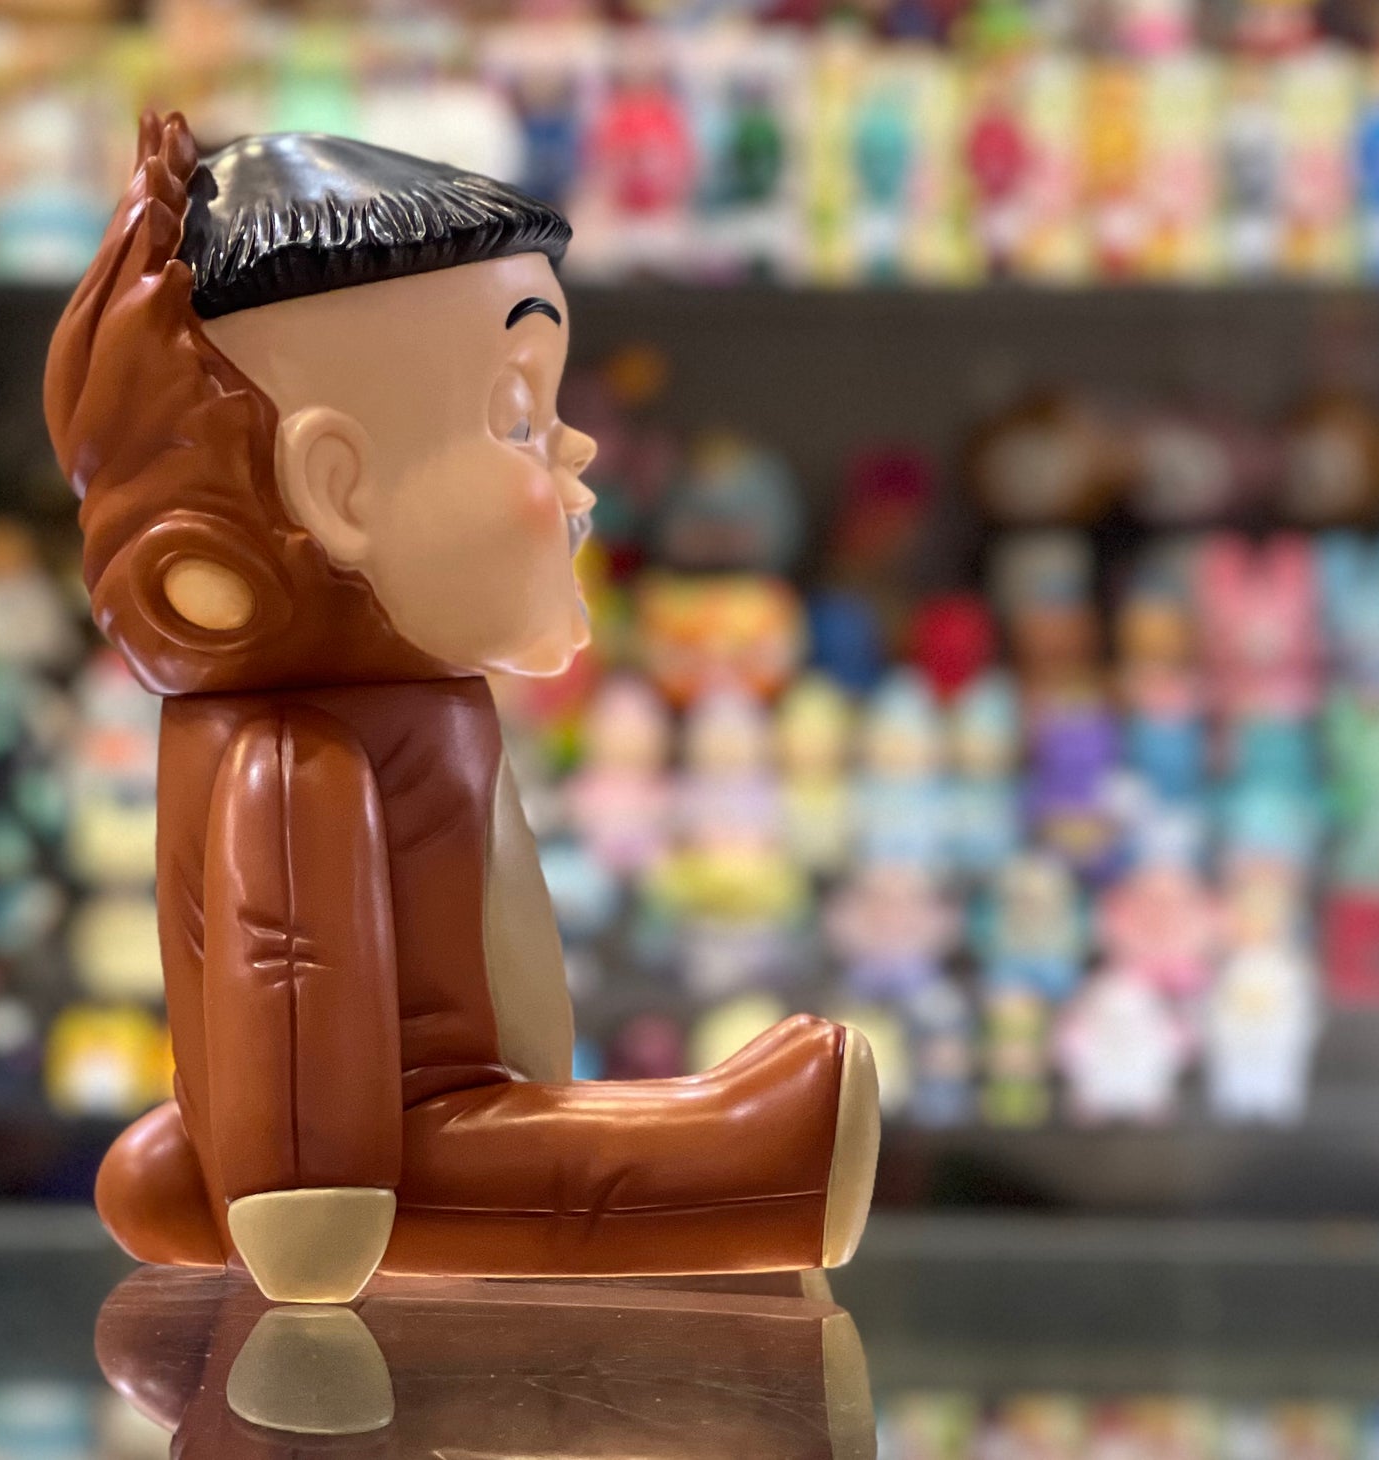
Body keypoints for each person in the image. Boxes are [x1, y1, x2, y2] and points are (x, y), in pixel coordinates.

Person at [44, 112, 879, 1303]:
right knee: (734, 1145)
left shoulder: (410, 709)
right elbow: (297, 1048)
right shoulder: (293, 760)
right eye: (520, 416)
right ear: (335, 490)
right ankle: (761, 1172)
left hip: (444, 1122)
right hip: (388, 1153)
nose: (575, 451)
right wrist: (304, 1197)